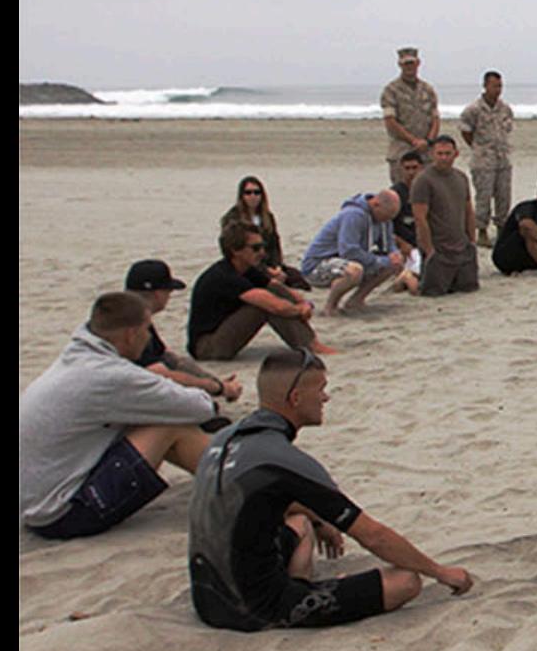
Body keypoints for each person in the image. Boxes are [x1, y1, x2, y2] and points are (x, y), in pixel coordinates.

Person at [187, 352, 474, 630]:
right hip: (252, 610)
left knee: (301, 523)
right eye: (321, 389)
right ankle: (293, 597)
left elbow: (259, 498)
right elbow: (373, 535)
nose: (325, 398)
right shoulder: (283, 459)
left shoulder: (224, 439)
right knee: (406, 581)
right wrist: (440, 572)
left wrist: (320, 519)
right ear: (296, 398)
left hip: (207, 599)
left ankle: (295, 583)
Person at [21, 292, 220, 538]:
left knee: (147, 415)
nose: (149, 337)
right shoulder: (109, 375)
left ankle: (222, 477)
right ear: (131, 335)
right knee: (169, 425)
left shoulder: (76, 358)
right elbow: (199, 408)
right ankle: (234, 483)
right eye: (147, 330)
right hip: (61, 514)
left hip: (35, 503)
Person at [189, 221, 328, 361]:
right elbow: (275, 306)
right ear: (235, 250)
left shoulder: (245, 269)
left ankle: (312, 343)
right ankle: (309, 346)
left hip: (222, 333)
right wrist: (299, 310)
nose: (262, 252)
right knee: (266, 306)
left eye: (263, 246)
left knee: (274, 291)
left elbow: (276, 286)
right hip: (207, 347)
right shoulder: (224, 276)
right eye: (255, 248)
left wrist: (303, 303)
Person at [124, 260, 241, 407]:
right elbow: (161, 374)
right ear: (158, 294)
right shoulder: (135, 325)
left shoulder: (125, 315)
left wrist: (215, 382)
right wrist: (218, 388)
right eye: (169, 291)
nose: (169, 296)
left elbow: (170, 358)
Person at [297, 189, 403, 315]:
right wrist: (381, 261)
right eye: (385, 217)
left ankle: (356, 300)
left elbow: (389, 243)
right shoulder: (353, 215)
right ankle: (331, 306)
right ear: (375, 204)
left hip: (350, 260)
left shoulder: (384, 220)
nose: (385, 221)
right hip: (318, 264)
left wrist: (394, 254)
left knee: (393, 264)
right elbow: (349, 251)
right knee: (354, 270)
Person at [411, 135, 481, 296]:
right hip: (439, 250)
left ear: (456, 154)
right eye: (440, 153)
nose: (443, 158)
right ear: (432, 154)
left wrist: (472, 241)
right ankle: (407, 278)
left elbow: (468, 211)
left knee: (468, 288)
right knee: (432, 291)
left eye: (447, 153)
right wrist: (429, 250)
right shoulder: (423, 180)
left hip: (462, 248)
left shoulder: (461, 178)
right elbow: (420, 218)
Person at [219, 176, 311, 291]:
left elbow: (275, 245)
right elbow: (236, 251)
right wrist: (266, 270)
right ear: (242, 196)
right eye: (248, 193)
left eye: (257, 192)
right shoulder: (233, 219)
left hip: (269, 262)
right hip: (246, 265)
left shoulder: (267, 217)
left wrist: (277, 266)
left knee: (297, 279)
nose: (253, 196)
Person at [457, 71, 515, 246]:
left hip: (503, 158)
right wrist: (478, 147)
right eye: (494, 86)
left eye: (500, 86)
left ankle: (502, 228)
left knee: (503, 196)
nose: (497, 90)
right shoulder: (474, 109)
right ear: (485, 86)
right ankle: (481, 230)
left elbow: (508, 128)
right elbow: (465, 130)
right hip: (483, 160)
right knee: (484, 196)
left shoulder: (505, 109)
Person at [379, 46, 440, 186]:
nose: (409, 67)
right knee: (402, 193)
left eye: (411, 63)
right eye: (406, 63)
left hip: (426, 154)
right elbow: (390, 121)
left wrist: (428, 141)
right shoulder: (391, 90)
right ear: (399, 64)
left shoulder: (428, 90)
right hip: (402, 152)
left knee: (428, 192)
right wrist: (413, 141)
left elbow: (435, 118)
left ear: (418, 63)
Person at [382, 148, 425, 294]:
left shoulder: (428, 190)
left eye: (414, 168)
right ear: (401, 170)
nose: (411, 172)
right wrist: (401, 243)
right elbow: (384, 226)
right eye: (407, 168)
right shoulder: (395, 194)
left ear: (421, 168)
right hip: (404, 247)